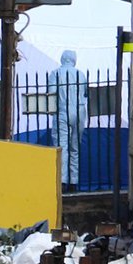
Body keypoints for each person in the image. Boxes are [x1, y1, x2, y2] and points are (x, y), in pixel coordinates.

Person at [48, 50, 88, 191]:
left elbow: (51, 92)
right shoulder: (80, 74)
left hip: (62, 110)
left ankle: (63, 181)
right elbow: (85, 92)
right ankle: (74, 181)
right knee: (75, 147)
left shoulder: (56, 73)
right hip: (79, 110)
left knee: (62, 146)